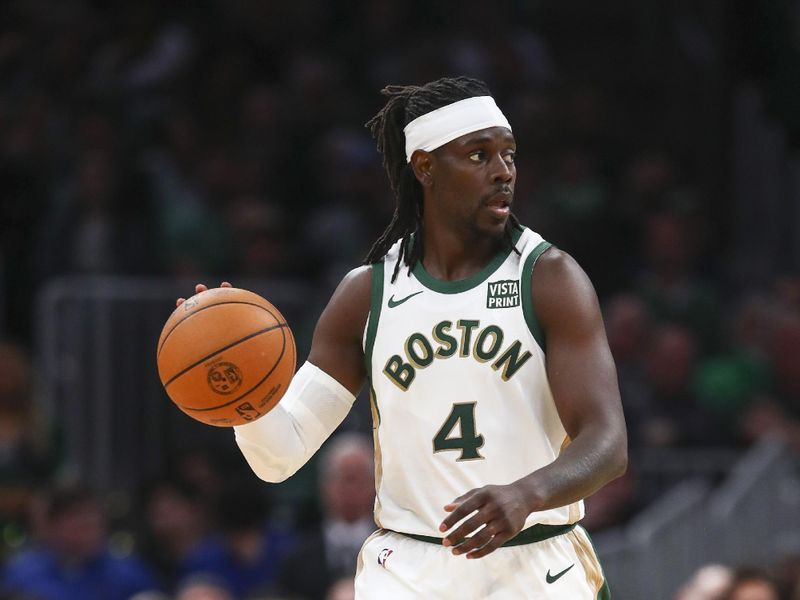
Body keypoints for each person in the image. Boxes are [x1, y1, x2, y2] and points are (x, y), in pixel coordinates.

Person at [179, 76, 627, 598]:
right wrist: (243, 395)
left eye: (509, 154)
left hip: (532, 561)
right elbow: (280, 456)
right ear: (426, 167)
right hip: (409, 568)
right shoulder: (365, 295)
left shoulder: (549, 278)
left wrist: (528, 493)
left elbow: (608, 443)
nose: (503, 171)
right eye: (479, 155)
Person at [276, 432, 375, 600]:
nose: (350, 490)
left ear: (375, 484)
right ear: (324, 485)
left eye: (357, 479)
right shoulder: (296, 558)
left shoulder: (396, 551)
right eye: (342, 479)